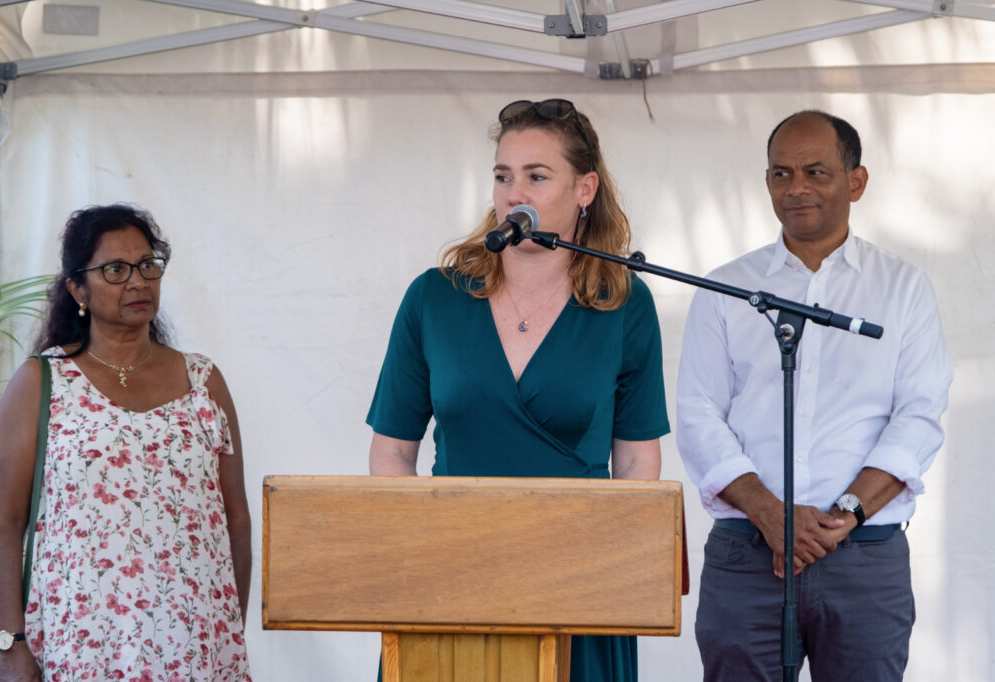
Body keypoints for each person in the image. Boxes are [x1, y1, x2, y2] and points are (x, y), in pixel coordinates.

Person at [367, 99, 670, 682]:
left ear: (585, 189)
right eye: (503, 176)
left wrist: (606, 562)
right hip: (450, 575)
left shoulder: (625, 304)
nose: (514, 194)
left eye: (536, 176)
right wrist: (434, 549)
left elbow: (636, 458)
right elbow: (392, 452)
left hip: (576, 581)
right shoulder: (435, 297)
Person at [676, 110, 953, 680]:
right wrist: (771, 517)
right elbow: (698, 415)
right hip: (747, 555)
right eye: (780, 174)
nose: (795, 187)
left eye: (815, 171)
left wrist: (844, 515)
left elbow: (919, 418)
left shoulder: (901, 288)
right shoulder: (728, 289)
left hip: (863, 555)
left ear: (856, 181)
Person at [0, 204, 252, 681]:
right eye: (115, 270)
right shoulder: (41, 382)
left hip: (193, 646)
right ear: (77, 288)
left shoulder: (203, 381)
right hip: (83, 645)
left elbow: (235, 518)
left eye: (148, 265)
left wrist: (228, 631)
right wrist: (10, 646)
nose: (137, 282)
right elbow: (3, 524)